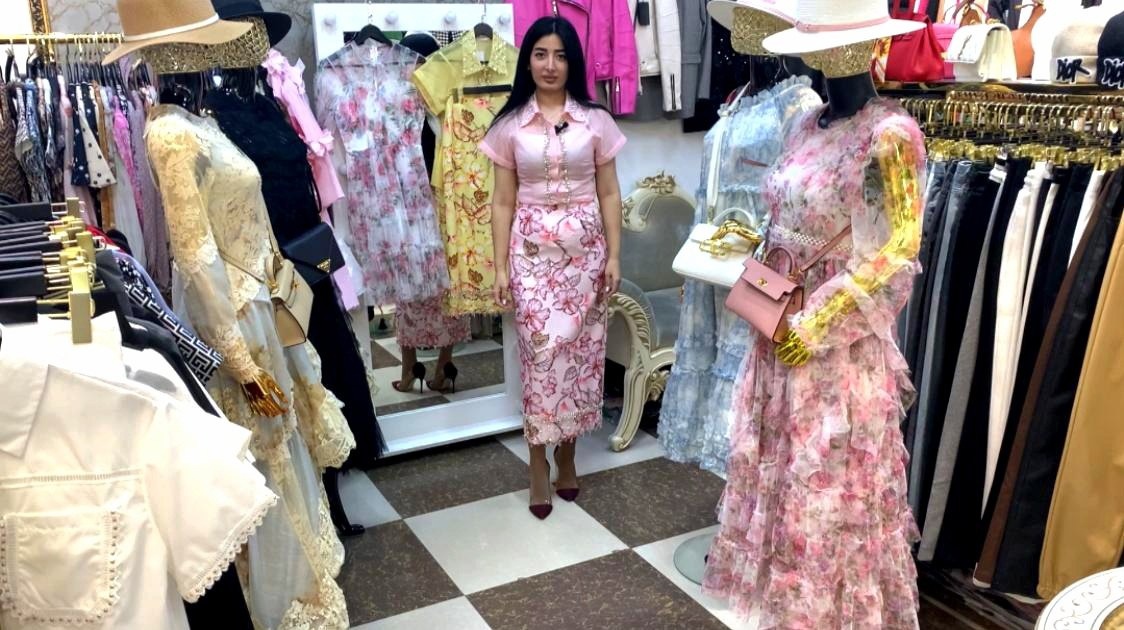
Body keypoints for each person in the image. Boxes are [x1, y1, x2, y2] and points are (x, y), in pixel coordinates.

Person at [480, 15, 626, 520]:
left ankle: (568, 453)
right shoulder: (509, 126)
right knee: (540, 358)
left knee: (582, 358)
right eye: (540, 54)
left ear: (573, 63)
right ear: (527, 61)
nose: (550, 65)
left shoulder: (596, 121)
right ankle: (537, 459)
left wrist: (615, 255)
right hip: (531, 257)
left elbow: (610, 192)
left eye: (560, 55)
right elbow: (502, 201)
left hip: (586, 258)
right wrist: (500, 268)